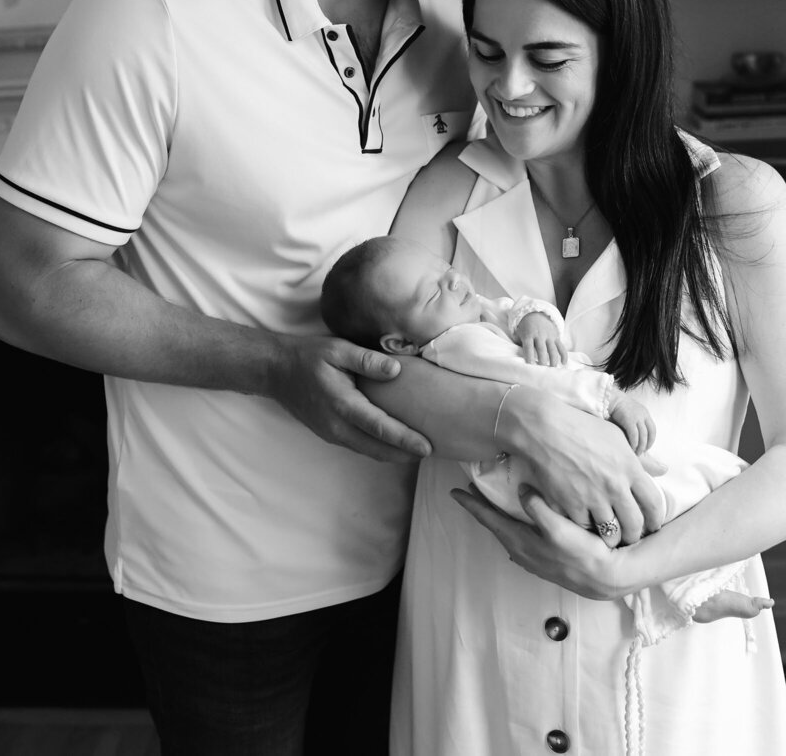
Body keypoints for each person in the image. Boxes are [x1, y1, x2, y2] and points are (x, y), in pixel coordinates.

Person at [0, 0, 559, 756]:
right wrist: (270, 365)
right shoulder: (149, 13)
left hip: (436, 540)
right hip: (228, 578)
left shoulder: (457, 29)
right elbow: (21, 283)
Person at [355, 0, 786, 754]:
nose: (507, 89)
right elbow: (379, 382)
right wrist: (528, 421)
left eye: (548, 57)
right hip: (476, 657)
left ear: (620, 53)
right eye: (486, 53)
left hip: (671, 669)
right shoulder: (443, 193)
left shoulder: (733, 202)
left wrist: (627, 568)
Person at [322, 233, 771, 645]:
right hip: (529, 466)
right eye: (434, 290)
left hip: (544, 454)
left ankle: (682, 586)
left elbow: (513, 309)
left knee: (631, 516)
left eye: (446, 269)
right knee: (673, 486)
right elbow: (534, 377)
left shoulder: (465, 315)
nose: (457, 281)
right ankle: (689, 586)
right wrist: (610, 400)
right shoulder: (458, 344)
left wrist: (534, 319)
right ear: (399, 344)